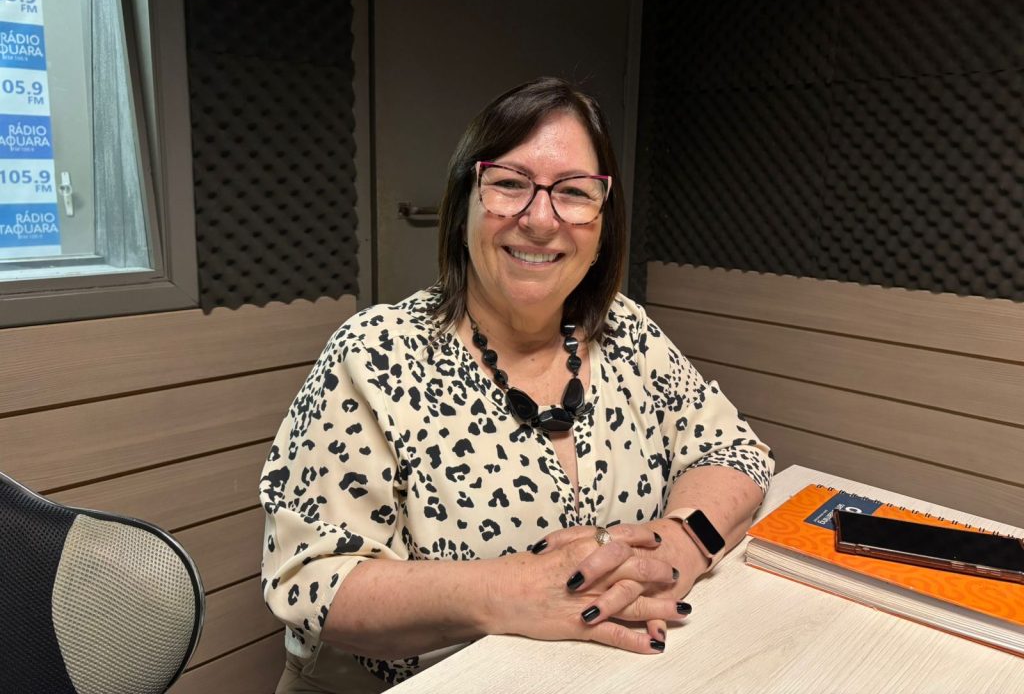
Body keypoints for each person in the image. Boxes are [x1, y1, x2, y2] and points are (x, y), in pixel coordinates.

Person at [259, 77, 774, 693]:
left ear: (603, 224)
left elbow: (734, 452)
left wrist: (681, 545)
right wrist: (515, 589)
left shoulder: (624, 330)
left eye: (574, 192)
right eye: (509, 184)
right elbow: (311, 581)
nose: (540, 220)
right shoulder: (375, 354)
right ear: (464, 207)